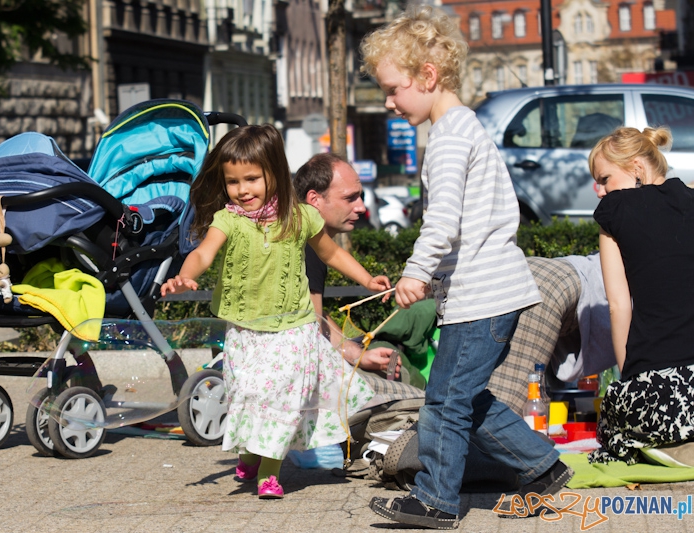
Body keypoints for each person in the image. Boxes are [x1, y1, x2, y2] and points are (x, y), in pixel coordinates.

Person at [359, 7, 572, 528]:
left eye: (393, 89)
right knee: (464, 398)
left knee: (444, 402)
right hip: (490, 292)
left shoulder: (450, 137)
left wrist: (415, 272)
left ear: (427, 76)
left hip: (482, 295)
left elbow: (443, 221)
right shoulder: (463, 127)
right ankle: (543, 469)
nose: (388, 102)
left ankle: (435, 500)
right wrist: (434, 277)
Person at [160, 124, 390, 499]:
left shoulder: (300, 217)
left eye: (251, 179)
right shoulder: (228, 219)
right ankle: (251, 454)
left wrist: (366, 279)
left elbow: (331, 252)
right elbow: (203, 252)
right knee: (250, 395)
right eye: (233, 181)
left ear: (275, 173)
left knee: (283, 399)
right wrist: (186, 276)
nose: (242, 190)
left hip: (294, 330)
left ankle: (269, 472)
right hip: (246, 330)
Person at [588, 126, 694, 465]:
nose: (599, 191)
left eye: (604, 179)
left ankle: (664, 445)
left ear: (636, 168)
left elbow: (619, 306)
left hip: (659, 396)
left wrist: (627, 381)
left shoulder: (616, 211)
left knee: (613, 423)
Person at [293, 152, 437, 394]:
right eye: (349, 198)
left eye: (360, 197)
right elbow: (312, 327)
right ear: (314, 199)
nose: (360, 207)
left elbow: (313, 314)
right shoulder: (307, 245)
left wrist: (357, 354)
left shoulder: (302, 237)